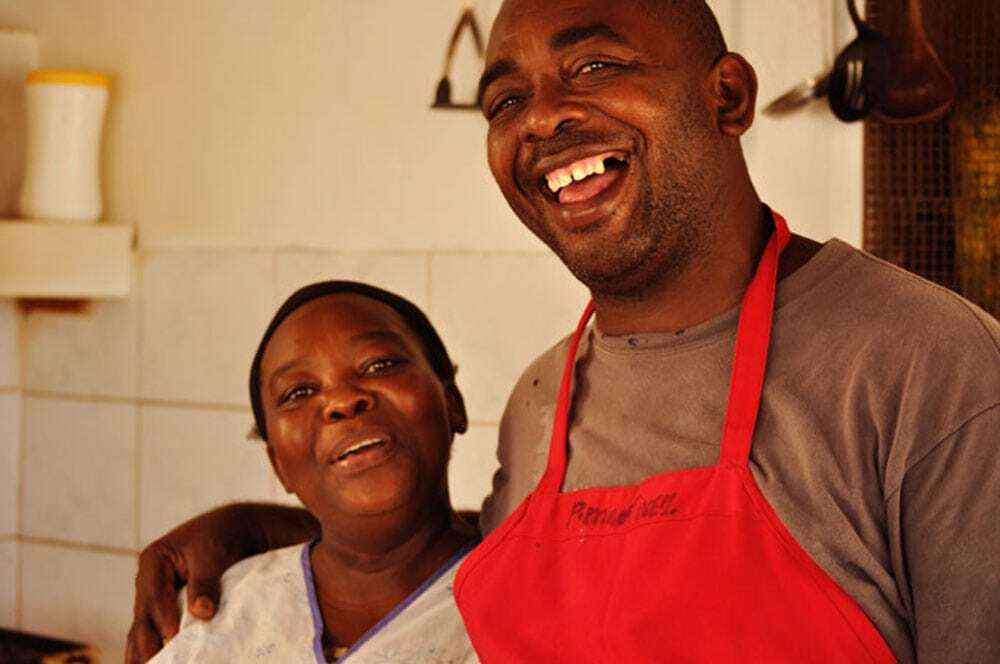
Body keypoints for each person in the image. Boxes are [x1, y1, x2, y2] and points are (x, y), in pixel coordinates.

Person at [128, 1, 1000, 662]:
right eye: (505, 99)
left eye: (590, 67)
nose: (541, 118)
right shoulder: (541, 399)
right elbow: (465, 561)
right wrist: (253, 528)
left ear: (726, 97)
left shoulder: (926, 365)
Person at [144, 281, 479, 663]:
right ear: (278, 464)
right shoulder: (207, 618)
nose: (342, 400)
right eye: (298, 393)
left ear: (452, 403)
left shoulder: (526, 606)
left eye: (380, 364)